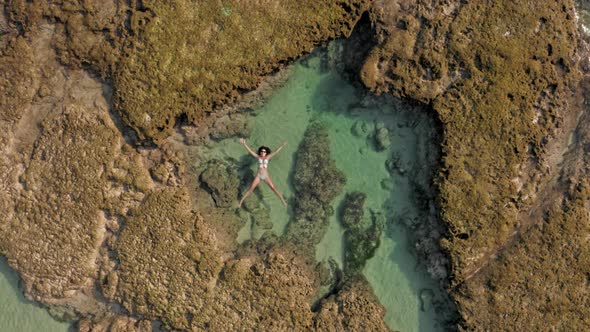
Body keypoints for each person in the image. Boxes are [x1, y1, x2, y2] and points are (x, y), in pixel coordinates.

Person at [238, 138, 287, 207]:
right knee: (250, 189)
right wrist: (244, 144)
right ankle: (241, 201)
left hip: (266, 176)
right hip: (258, 176)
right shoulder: (258, 157)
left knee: (273, 188)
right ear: (260, 152)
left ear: (266, 152)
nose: (262, 152)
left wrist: (282, 145)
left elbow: (276, 152)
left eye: (264, 151)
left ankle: (283, 201)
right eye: (261, 151)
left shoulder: (268, 157)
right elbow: (250, 151)